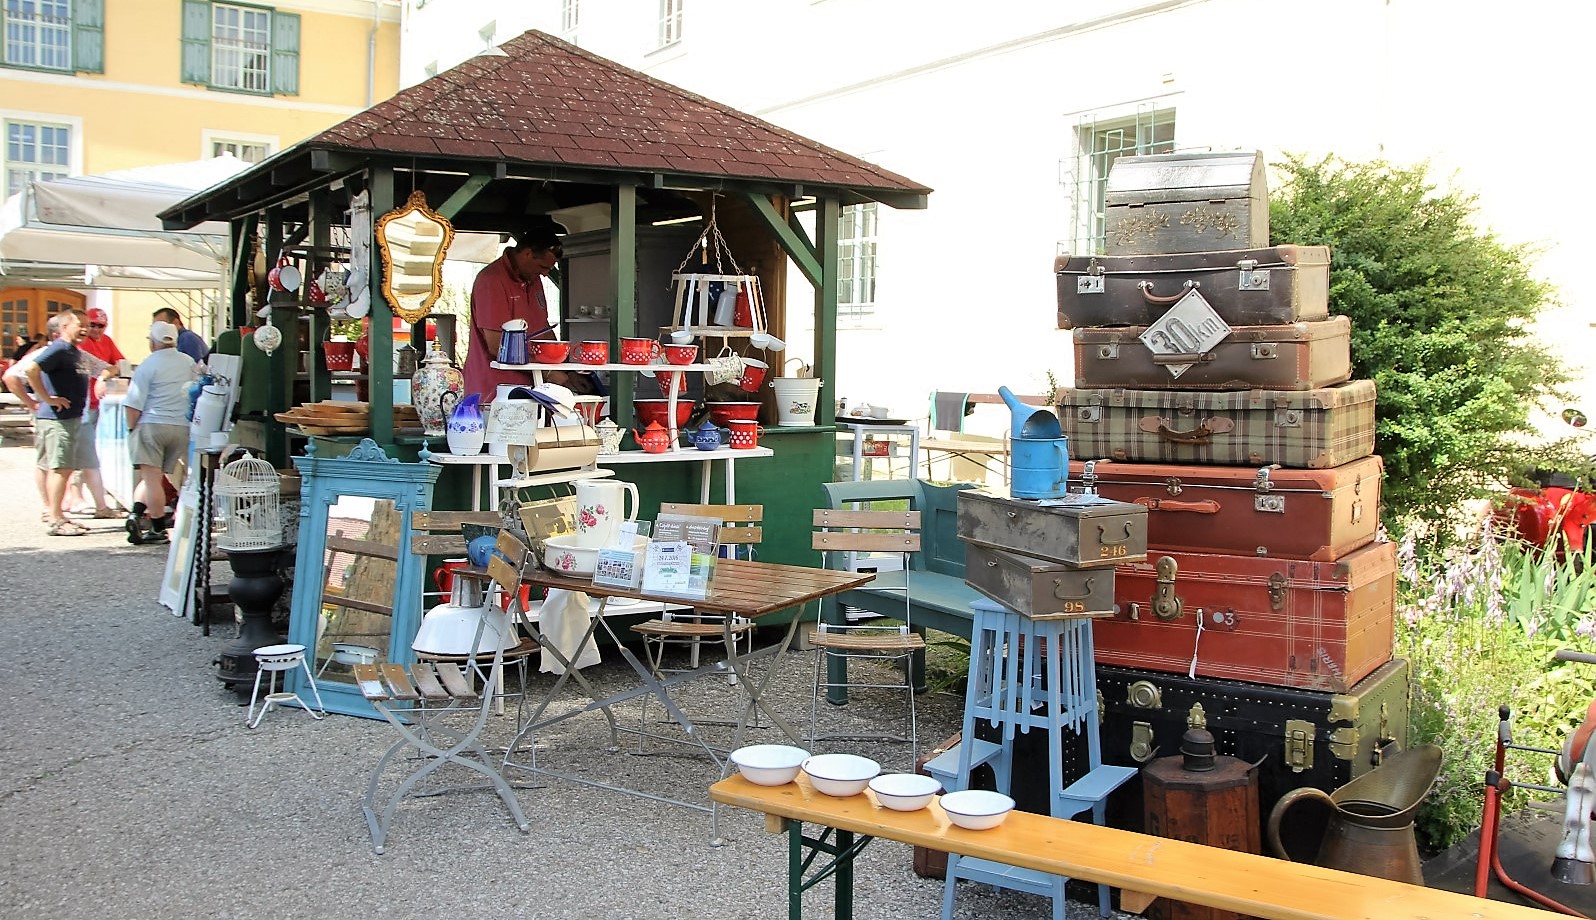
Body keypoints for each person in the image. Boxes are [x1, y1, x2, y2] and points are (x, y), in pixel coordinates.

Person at [464, 219, 595, 399]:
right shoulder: (491, 281)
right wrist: (548, 373)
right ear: (527, 253)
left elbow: (544, 330)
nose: (545, 273)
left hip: (532, 387)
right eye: (542, 267)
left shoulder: (533, 279)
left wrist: (567, 370)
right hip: (496, 389)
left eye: (549, 269)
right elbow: (497, 346)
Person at [122, 321, 198, 545]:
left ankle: (156, 527)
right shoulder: (188, 362)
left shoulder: (148, 364)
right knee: (165, 477)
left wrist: (131, 429)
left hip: (153, 423)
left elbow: (133, 404)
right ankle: (136, 512)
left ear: (153, 342)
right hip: (181, 426)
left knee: (151, 477)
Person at [22, 310, 91, 536]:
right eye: (80, 325)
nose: (86, 329)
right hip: (58, 419)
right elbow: (31, 369)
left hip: (63, 418)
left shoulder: (72, 351)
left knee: (59, 467)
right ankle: (56, 518)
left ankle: (57, 514)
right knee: (61, 468)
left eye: (88, 325)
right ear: (63, 327)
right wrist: (46, 398)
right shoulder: (59, 348)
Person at [67, 307, 127, 518]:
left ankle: (74, 497)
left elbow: (120, 363)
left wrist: (103, 377)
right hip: (81, 404)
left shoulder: (106, 341)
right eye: (92, 325)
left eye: (100, 325)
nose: (95, 329)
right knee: (83, 451)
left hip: (95, 403)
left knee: (85, 450)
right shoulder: (79, 345)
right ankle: (76, 496)